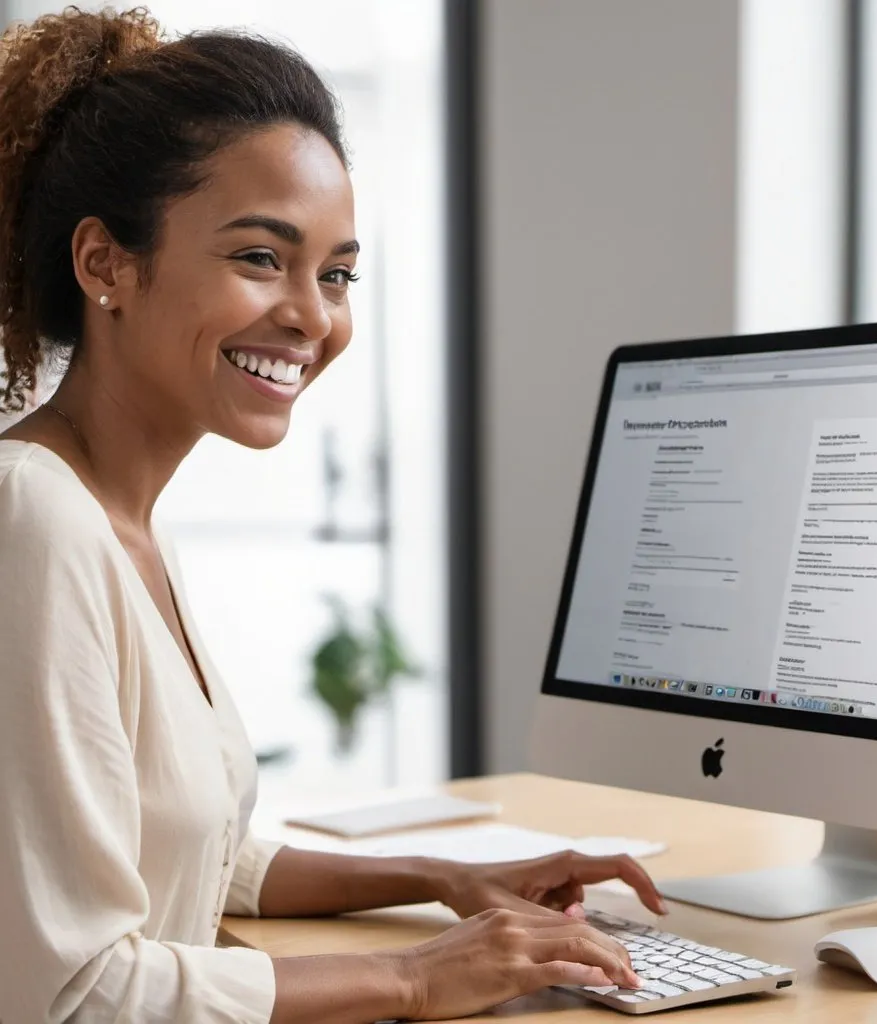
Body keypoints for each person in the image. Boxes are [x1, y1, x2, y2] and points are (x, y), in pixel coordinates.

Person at [0, 6, 666, 1022]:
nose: (314, 316)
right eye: (262, 258)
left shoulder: (121, 521)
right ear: (106, 267)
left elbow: (194, 849)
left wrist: (446, 881)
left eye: (337, 273)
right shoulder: (35, 520)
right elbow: (71, 987)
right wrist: (413, 975)